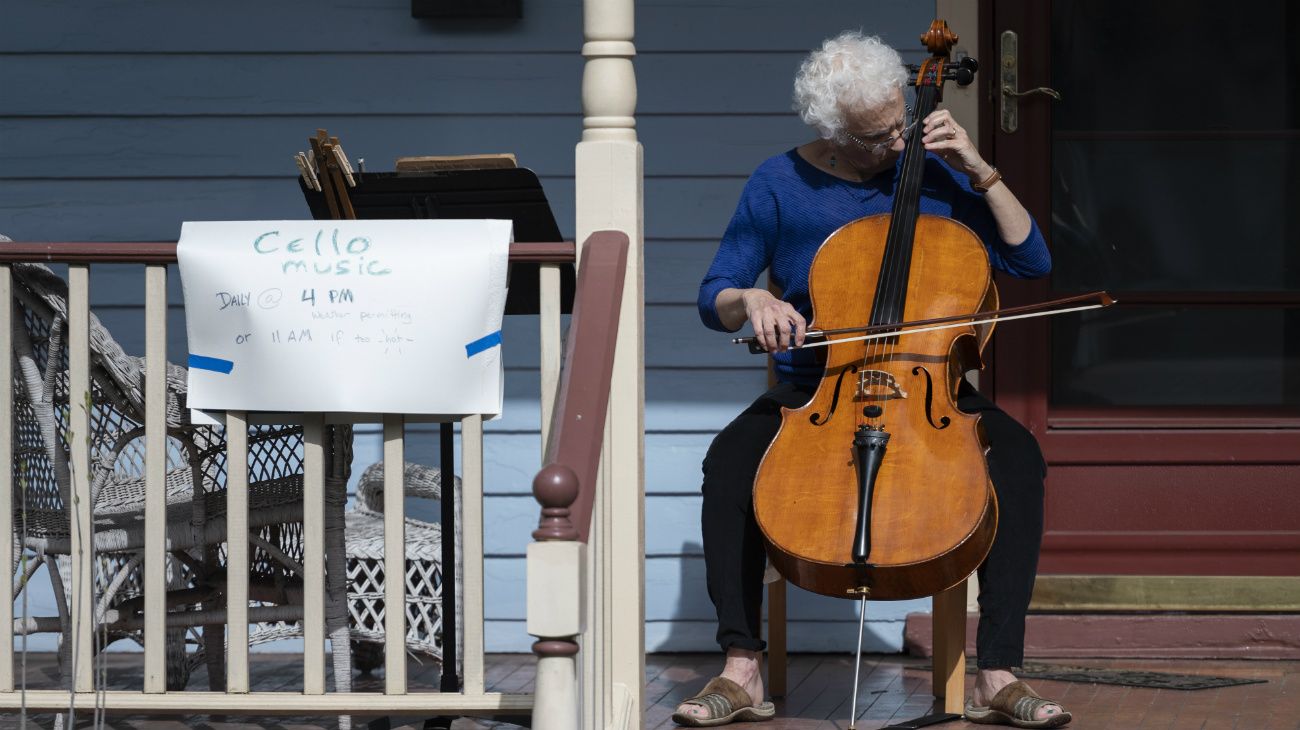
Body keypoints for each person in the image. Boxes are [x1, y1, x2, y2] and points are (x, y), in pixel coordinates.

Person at [671, 32, 1073, 729]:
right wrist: (755, 301)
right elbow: (716, 294)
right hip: (815, 387)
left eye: (901, 120)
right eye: (878, 134)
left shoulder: (939, 170)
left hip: (928, 384)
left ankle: (999, 672)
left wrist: (979, 168)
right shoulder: (779, 183)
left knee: (1019, 461)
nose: (899, 138)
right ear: (833, 134)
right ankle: (741, 668)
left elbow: (1031, 262)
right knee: (728, 465)